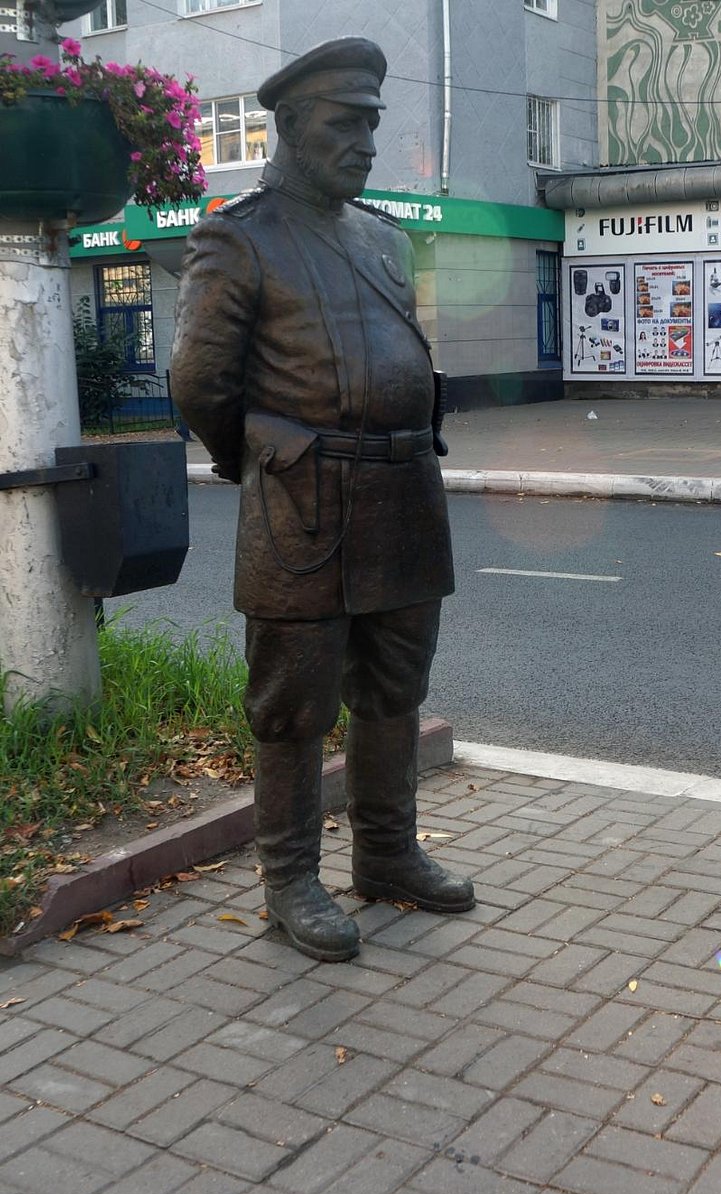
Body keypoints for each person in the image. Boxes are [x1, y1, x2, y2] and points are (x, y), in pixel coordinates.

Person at [171, 38, 473, 963]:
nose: (366, 143)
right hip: (301, 506)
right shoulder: (242, 237)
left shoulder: (383, 236)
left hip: (402, 495)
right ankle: (290, 880)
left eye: (373, 124)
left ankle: (386, 854)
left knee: (394, 690)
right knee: (292, 706)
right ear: (294, 125)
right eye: (346, 123)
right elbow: (199, 384)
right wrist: (261, 458)